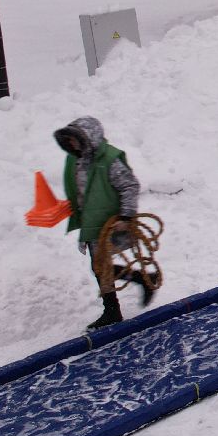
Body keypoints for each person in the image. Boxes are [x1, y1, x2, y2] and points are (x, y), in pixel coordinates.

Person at [55, 117, 146, 331]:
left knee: (101, 267)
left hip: (110, 223)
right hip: (91, 222)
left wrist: (126, 216)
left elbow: (129, 186)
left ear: (88, 139)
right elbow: (79, 190)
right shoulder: (75, 159)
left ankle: (113, 311)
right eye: (69, 141)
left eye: (75, 140)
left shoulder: (110, 159)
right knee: (100, 267)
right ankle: (136, 284)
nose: (72, 145)